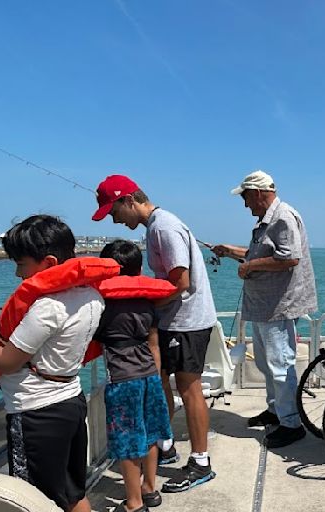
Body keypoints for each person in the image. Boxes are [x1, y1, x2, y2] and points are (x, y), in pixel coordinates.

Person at [0, 215, 105, 512]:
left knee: (32, 500)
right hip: (71, 403)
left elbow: (7, 362)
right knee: (73, 493)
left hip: (36, 415)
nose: (17, 273)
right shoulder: (92, 295)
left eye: (21, 264)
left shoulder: (48, 306)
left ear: (49, 262)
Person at [92, 175, 216, 493]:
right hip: (172, 320)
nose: (116, 220)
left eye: (114, 212)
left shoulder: (163, 227)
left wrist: (138, 309)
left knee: (189, 389)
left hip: (187, 321)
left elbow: (180, 282)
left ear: (129, 200)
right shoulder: (156, 227)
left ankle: (201, 462)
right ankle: (165, 445)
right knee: (159, 383)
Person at [212, 170, 317, 448]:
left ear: (259, 192)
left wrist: (249, 267)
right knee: (266, 364)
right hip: (263, 306)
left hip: (277, 306)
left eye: (246, 197)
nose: (245, 204)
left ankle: (291, 423)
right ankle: (275, 411)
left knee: (280, 366)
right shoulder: (266, 221)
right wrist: (231, 251)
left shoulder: (283, 217)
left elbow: (289, 258)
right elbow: (260, 253)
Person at [95, 240, 173, 512]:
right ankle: (149, 489)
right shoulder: (146, 300)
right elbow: (153, 343)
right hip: (150, 374)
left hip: (122, 378)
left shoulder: (103, 305)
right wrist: (158, 378)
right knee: (150, 433)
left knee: (127, 439)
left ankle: (133, 503)